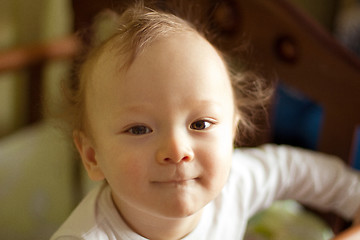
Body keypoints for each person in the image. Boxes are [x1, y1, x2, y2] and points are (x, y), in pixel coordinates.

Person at [51, 3, 360, 240]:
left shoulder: (236, 182)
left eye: (199, 124)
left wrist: (353, 199)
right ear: (92, 156)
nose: (177, 150)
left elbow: (296, 170)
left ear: (232, 132)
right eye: (139, 129)